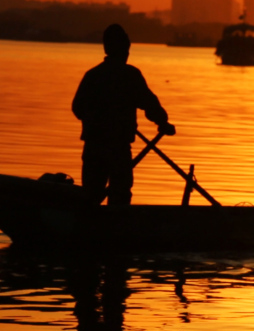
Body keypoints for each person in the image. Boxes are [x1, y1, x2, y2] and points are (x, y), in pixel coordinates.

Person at [72, 24, 176, 205]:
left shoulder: (93, 75)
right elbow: (149, 104)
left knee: (92, 195)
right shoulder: (129, 75)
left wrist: (94, 120)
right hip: (116, 148)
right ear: (123, 49)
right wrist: (163, 122)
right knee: (118, 195)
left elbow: (77, 108)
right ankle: (110, 227)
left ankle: (93, 226)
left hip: (94, 147)